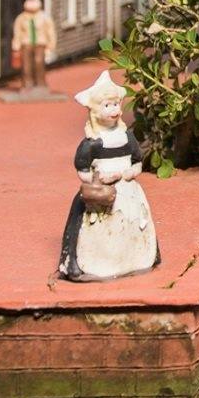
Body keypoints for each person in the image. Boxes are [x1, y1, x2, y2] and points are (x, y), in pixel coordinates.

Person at [57, 69, 160, 282]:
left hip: (127, 190)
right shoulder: (92, 143)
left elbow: (138, 162)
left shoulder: (126, 137)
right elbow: (82, 170)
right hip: (103, 192)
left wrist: (128, 173)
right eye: (107, 105)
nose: (114, 110)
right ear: (95, 111)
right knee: (97, 229)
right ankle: (92, 263)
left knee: (132, 224)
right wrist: (99, 178)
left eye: (116, 104)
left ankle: (136, 260)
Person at [10, 0, 56, 92]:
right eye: (29, 0)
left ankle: (40, 83)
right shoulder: (21, 18)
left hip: (40, 43)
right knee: (26, 64)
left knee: (39, 62)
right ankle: (27, 83)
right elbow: (17, 32)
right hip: (26, 43)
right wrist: (16, 46)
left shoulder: (44, 17)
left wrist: (51, 45)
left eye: (34, 0)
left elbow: (50, 31)